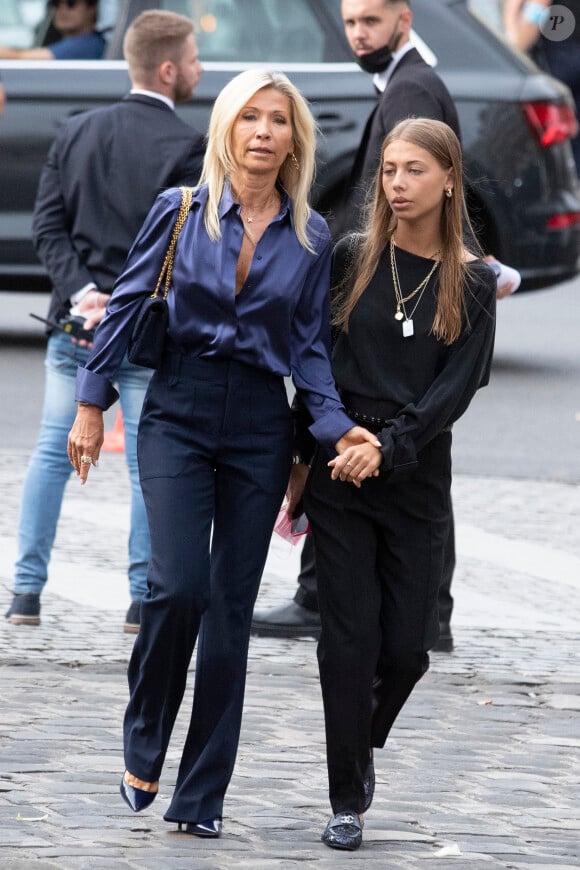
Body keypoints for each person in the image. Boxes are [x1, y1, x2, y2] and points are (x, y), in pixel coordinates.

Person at [66, 68, 379, 838]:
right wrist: (88, 403)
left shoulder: (310, 237)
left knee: (231, 613)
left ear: (294, 139)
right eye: (251, 118)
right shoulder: (180, 213)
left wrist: (336, 430)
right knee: (176, 588)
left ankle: (200, 797)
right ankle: (145, 739)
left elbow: (308, 353)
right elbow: (130, 303)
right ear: (228, 129)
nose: (265, 131)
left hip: (259, 425)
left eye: (279, 121)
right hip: (177, 404)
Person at [252, 0, 520, 648]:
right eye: (349, 23)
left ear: (403, 18)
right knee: (399, 441)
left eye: (369, 21)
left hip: (390, 278)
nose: (356, 35)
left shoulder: (414, 87)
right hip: (383, 275)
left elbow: (405, 188)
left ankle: (367, 602)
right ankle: (422, 610)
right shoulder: (404, 81)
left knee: (396, 429)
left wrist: (374, 262)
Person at [299, 117, 496, 850]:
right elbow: (314, 358)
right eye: (388, 170)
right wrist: (317, 446)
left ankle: (360, 739)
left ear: (449, 179)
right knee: (346, 642)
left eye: (414, 170)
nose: (397, 184)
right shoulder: (352, 257)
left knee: (408, 649)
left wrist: (391, 447)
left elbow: (457, 388)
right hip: (340, 465)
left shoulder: (471, 280)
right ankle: (346, 795)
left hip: (412, 473)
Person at [4, 10, 205, 632]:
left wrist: (85, 291)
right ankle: (141, 599)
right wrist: (122, 300)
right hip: (145, 329)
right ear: (169, 69)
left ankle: (26, 593)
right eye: (195, 60)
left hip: (76, 323)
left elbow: (47, 226)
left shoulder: (77, 131)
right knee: (149, 467)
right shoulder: (188, 148)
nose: (200, 70)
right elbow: (176, 246)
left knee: (50, 452)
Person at [503, 0, 580, 173]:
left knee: (562, 146)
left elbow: (534, 13)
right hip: (567, 53)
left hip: (562, 56)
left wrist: (510, 49)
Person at [0, 0, 106, 61]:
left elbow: (23, 59)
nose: (62, 10)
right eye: (55, 4)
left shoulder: (88, 44)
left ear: (92, 8)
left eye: (71, 3)